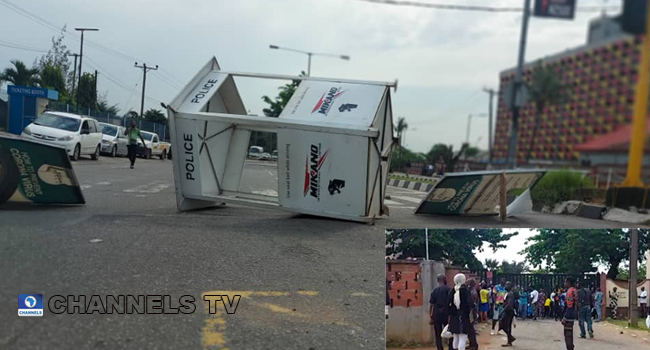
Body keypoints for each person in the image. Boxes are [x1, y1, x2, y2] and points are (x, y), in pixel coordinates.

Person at [447, 273, 473, 350]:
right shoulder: (465, 291)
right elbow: (470, 304)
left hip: (453, 317)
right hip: (464, 317)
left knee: (455, 337)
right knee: (462, 338)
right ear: (463, 280)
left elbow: (448, 304)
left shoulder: (451, 291)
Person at [430, 274, 452, 350]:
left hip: (437, 315)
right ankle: (450, 347)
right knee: (450, 332)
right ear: (445, 280)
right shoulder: (449, 290)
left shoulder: (434, 291)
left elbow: (432, 305)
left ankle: (440, 348)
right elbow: (452, 304)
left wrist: (431, 317)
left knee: (437, 334)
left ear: (438, 281)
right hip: (447, 314)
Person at [562, 277, 578, 350]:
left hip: (569, 315)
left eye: (565, 282)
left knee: (567, 334)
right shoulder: (574, 290)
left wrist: (565, 317)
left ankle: (570, 348)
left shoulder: (569, 292)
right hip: (573, 313)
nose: (564, 284)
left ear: (569, 283)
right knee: (569, 333)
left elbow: (569, 305)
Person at [501, 282, 516, 347]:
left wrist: (502, 311)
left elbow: (509, 304)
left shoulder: (510, 294)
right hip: (507, 311)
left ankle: (509, 340)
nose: (505, 285)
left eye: (507, 285)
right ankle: (510, 338)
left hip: (508, 311)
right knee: (503, 325)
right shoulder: (508, 293)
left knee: (506, 325)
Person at [467, 279, 479, 350]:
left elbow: (471, 303)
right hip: (473, 312)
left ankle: (474, 345)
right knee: (470, 329)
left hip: (471, 312)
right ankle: (472, 344)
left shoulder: (472, 292)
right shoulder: (473, 291)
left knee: (470, 329)